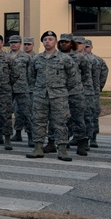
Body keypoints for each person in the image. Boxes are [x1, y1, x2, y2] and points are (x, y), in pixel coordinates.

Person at [27, 31, 76, 161]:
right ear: (42, 42)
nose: (47, 41)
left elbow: (73, 78)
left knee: (60, 122)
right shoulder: (36, 59)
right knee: (38, 121)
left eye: (50, 39)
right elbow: (31, 77)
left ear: (55, 42)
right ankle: (38, 148)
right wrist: (37, 89)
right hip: (40, 96)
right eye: (45, 39)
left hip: (59, 96)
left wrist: (62, 89)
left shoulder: (65, 59)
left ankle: (62, 150)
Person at [60, 35, 90, 156]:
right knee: (60, 119)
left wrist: (77, 84)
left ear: (71, 43)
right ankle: (62, 141)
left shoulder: (79, 57)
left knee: (78, 118)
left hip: (76, 92)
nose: (64, 44)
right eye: (62, 42)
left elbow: (86, 74)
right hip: (60, 92)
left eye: (66, 42)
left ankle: (81, 142)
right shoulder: (56, 56)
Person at [8, 35, 33, 146]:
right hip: (8, 89)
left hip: (23, 88)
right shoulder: (5, 56)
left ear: (20, 44)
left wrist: (29, 87)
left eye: (16, 42)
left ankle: (31, 136)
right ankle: (6, 135)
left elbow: (31, 74)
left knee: (27, 113)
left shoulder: (26, 57)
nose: (13, 44)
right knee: (6, 113)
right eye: (11, 42)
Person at [85, 39, 109, 147]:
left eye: (87, 47)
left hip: (93, 92)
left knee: (93, 115)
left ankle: (93, 137)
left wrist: (98, 88)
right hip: (79, 92)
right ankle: (78, 137)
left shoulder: (97, 60)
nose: (85, 48)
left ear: (91, 47)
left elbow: (103, 75)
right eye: (84, 46)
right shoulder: (75, 59)